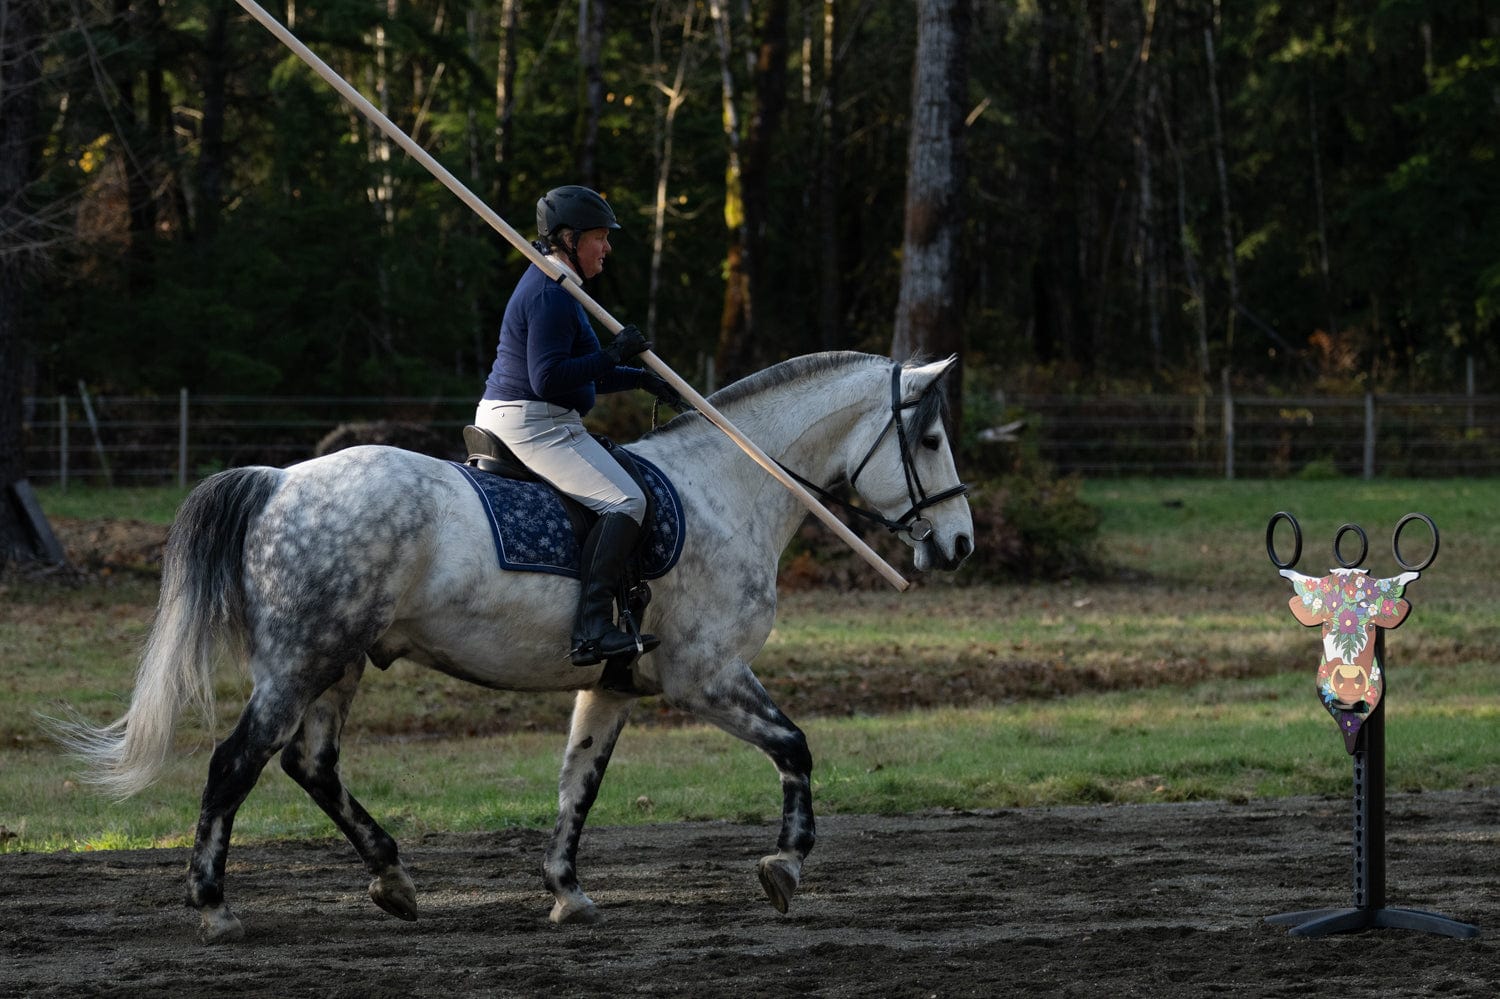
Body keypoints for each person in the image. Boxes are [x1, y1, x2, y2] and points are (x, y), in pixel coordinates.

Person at [476, 185, 683, 667]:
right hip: (531, 423)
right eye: (599, 238)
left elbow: (586, 370)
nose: (606, 248)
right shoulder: (550, 293)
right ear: (569, 239)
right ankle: (591, 630)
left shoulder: (561, 287)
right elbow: (548, 378)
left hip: (544, 417)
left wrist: (642, 378)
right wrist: (613, 353)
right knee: (625, 501)